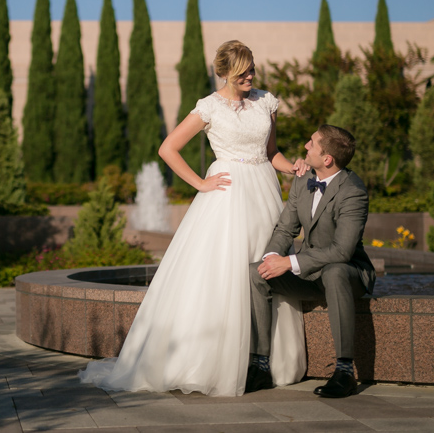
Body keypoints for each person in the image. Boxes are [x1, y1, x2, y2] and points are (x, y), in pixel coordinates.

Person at [79, 40, 308, 397]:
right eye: (243, 71)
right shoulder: (209, 107)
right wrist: (201, 183)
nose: (250, 76)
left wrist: (291, 166)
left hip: (264, 192)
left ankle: (267, 360)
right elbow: (167, 148)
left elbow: (271, 152)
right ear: (225, 73)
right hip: (227, 195)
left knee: (266, 267)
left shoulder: (266, 101)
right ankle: (212, 360)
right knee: (223, 273)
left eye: (252, 69)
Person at [248, 125, 376, 398]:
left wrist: (289, 262)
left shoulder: (353, 191)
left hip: (348, 273)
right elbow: (285, 229)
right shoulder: (302, 180)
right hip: (309, 273)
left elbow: (342, 251)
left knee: (334, 271)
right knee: (256, 272)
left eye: (312, 143)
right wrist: (272, 258)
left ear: (327, 158)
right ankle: (259, 366)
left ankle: (344, 372)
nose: (305, 146)